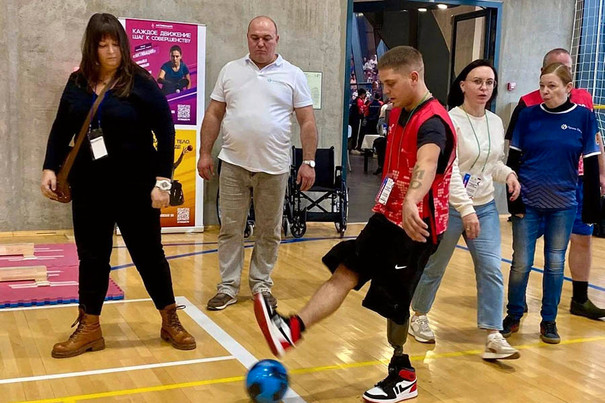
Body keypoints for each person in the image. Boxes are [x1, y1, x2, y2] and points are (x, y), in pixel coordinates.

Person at [255, 46, 456, 403]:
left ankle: (403, 374)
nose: (385, 91)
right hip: (386, 216)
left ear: (414, 77)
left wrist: (412, 199)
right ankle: (291, 329)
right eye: (383, 84)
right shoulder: (399, 111)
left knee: (395, 303)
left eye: (391, 84)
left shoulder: (433, 122)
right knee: (345, 272)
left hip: (416, 227)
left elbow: (427, 161)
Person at [40, 13, 196, 358]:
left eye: (115, 44)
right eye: (103, 44)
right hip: (89, 186)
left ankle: (170, 319)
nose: (111, 51)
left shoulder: (140, 82)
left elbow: (166, 131)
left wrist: (162, 181)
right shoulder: (77, 83)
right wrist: (49, 166)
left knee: (149, 255)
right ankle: (89, 328)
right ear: (92, 48)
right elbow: (61, 128)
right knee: (92, 257)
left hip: (135, 185)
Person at [197, 16, 317, 311]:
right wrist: (205, 152)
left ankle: (261, 286)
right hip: (233, 165)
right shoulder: (230, 70)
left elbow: (307, 121)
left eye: (267, 38)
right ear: (247, 38)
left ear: (277, 39)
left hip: (274, 169)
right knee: (230, 229)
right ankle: (227, 287)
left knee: (269, 231)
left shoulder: (293, 74)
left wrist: (309, 161)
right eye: (255, 38)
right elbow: (214, 114)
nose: (261, 43)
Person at [408, 60, 521, 360]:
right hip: (450, 206)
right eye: (477, 81)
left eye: (489, 82)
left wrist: (508, 174)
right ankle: (419, 315)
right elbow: (451, 171)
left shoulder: (495, 122)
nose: (484, 88)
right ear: (463, 85)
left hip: (485, 207)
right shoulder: (449, 120)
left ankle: (493, 334)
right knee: (435, 266)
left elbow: (491, 164)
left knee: (491, 268)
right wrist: (466, 209)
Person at [503, 62, 601, 344]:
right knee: (521, 263)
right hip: (528, 202)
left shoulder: (584, 117)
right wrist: (513, 203)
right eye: (542, 86)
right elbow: (513, 160)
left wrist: (593, 206)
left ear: (568, 88)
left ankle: (549, 321)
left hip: (564, 203)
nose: (545, 91)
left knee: (555, 264)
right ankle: (514, 314)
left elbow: (591, 163)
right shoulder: (527, 115)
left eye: (552, 86)